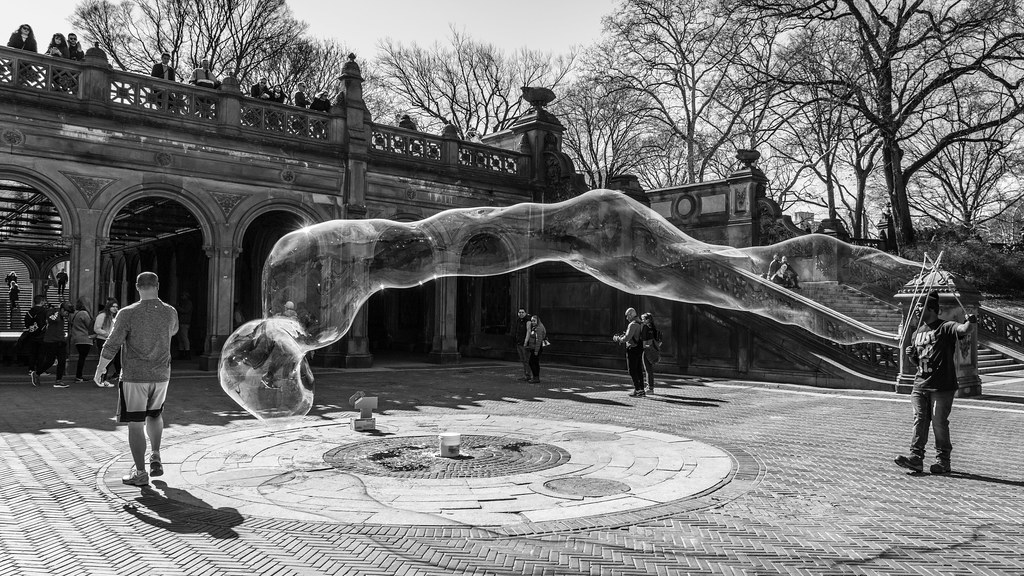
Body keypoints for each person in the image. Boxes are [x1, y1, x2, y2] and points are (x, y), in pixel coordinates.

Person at [95, 272, 178, 487]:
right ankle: (156, 454)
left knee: (135, 423)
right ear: (157, 285)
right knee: (155, 415)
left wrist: (100, 369)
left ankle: (140, 473)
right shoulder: (170, 312)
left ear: (137, 287)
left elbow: (112, 343)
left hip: (135, 376)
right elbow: (173, 332)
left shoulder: (127, 313)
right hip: (161, 375)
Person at [895, 290, 978, 475]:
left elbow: (964, 330)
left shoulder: (945, 327)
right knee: (920, 420)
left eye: (920, 307)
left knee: (939, 422)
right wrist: (912, 356)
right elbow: (918, 362)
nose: (916, 310)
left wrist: (970, 322)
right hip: (920, 384)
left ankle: (943, 461)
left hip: (942, 385)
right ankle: (916, 458)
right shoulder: (917, 333)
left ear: (932, 309)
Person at [37, 302, 72, 388]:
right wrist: (57, 313)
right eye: (66, 312)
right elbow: (51, 319)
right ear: (62, 309)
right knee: (50, 361)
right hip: (51, 341)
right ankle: (37, 373)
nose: (67, 314)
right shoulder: (54, 313)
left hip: (60, 341)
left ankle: (58, 380)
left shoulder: (62, 317)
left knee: (62, 361)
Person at [613, 307, 646, 397]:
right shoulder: (641, 323)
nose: (627, 318)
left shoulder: (632, 324)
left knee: (632, 370)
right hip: (640, 348)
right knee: (639, 369)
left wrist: (618, 338)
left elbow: (627, 338)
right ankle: (641, 389)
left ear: (630, 315)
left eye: (627, 316)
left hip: (632, 348)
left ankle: (638, 389)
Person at [93, 298, 121, 388]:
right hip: (103, 340)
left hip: (111, 341)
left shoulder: (113, 317)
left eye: (116, 307)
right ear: (109, 307)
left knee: (109, 361)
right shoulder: (102, 315)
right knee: (104, 361)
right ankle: (99, 379)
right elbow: (97, 328)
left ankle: (103, 379)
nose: (115, 308)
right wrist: (107, 334)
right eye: (113, 306)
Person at [25, 295, 49, 386]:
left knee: (32, 353)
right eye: (44, 301)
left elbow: (26, 323)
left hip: (31, 335)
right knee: (41, 354)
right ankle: (39, 370)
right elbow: (46, 322)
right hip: (42, 335)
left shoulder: (30, 311)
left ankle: (31, 369)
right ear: (42, 301)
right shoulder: (44, 311)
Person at [69, 298, 94, 384]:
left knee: (81, 357)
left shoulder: (74, 314)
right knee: (82, 358)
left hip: (76, 338)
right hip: (85, 338)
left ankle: (79, 376)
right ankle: (79, 376)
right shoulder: (84, 313)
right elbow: (90, 326)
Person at [640, 312, 662, 394]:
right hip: (653, 349)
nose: (642, 321)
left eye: (643, 319)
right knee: (650, 368)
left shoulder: (645, 327)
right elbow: (659, 340)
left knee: (647, 369)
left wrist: (644, 347)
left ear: (647, 320)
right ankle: (649, 386)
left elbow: (644, 341)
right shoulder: (653, 327)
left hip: (647, 349)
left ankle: (650, 388)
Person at [524, 314, 546, 384]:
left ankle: (536, 377)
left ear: (537, 321)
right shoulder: (535, 327)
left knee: (532, 362)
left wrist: (536, 351)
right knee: (535, 362)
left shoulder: (539, 328)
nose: (532, 322)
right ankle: (536, 377)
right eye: (532, 321)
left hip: (536, 348)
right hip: (534, 348)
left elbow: (539, 340)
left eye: (534, 321)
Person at [513, 308, 532, 381]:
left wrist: (525, 342)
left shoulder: (528, 320)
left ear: (525, 313)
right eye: (519, 312)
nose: (521, 313)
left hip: (524, 343)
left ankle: (528, 375)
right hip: (519, 342)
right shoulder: (518, 320)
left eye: (522, 312)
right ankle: (526, 374)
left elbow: (528, 331)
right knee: (523, 360)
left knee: (526, 360)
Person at [176, 292, 193, 360]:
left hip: (185, 322)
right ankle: (181, 353)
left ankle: (187, 353)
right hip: (181, 322)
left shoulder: (188, 303)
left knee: (184, 337)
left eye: (183, 295)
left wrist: (178, 307)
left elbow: (185, 310)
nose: (182, 297)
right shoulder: (182, 303)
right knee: (180, 338)